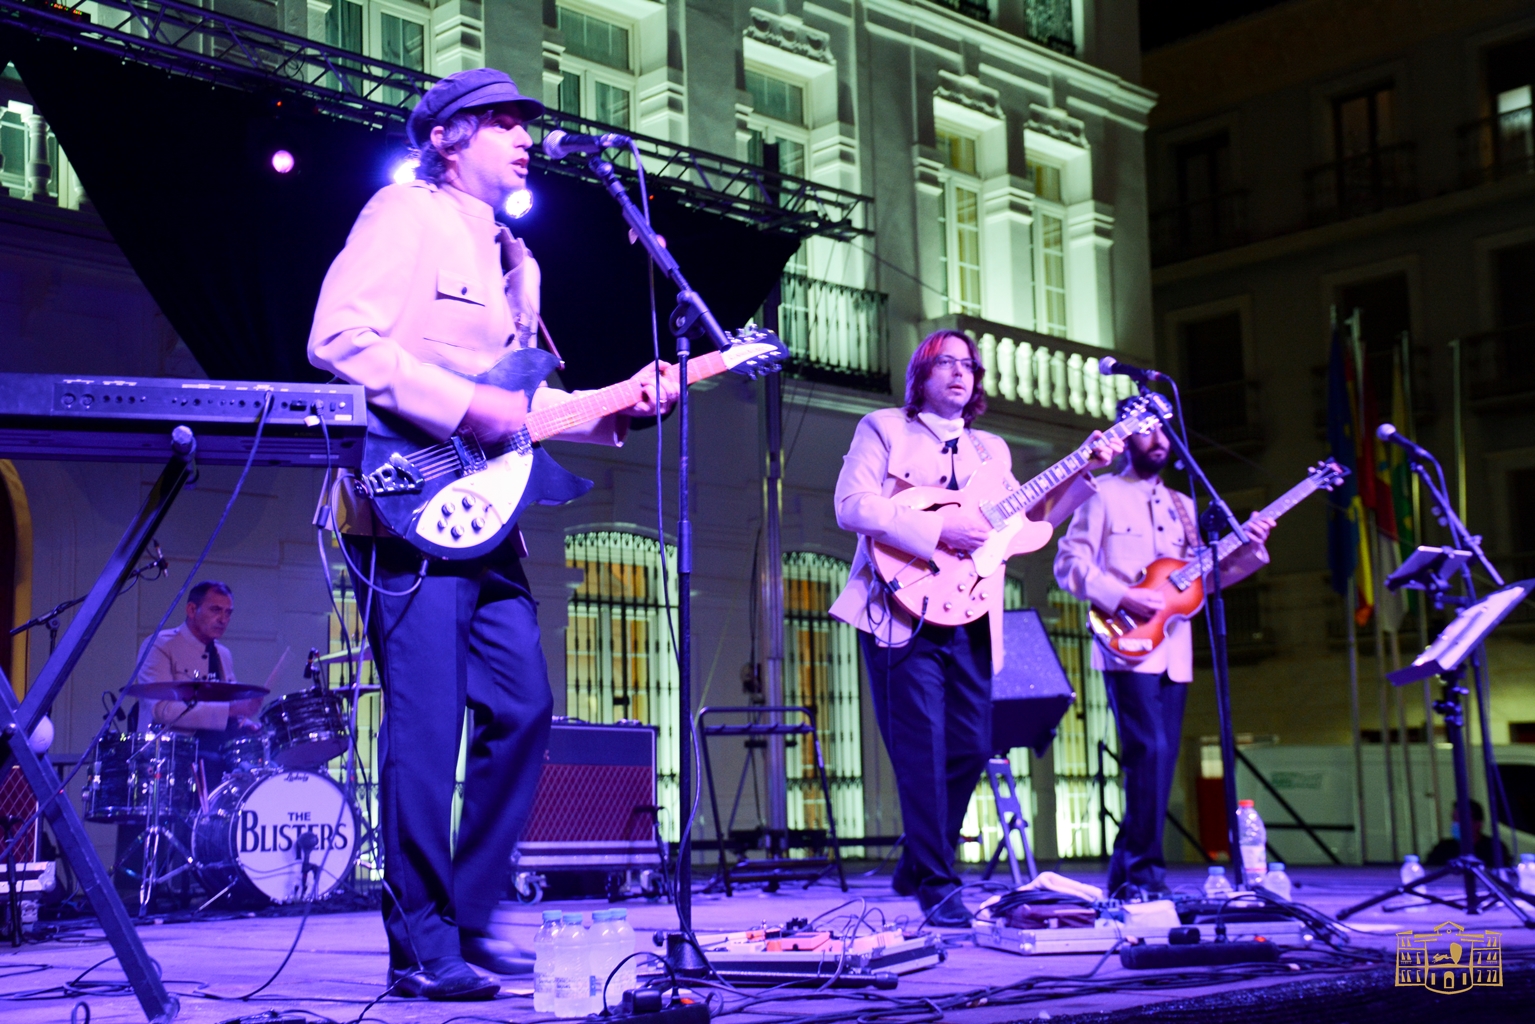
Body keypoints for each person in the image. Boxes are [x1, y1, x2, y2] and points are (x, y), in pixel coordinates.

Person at [308, 68, 678, 1001]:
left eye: (525, 122)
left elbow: (523, 407)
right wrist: (465, 406)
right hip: (408, 507)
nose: (523, 136)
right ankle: (422, 941)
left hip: (486, 520)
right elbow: (340, 339)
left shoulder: (516, 257)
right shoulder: (405, 218)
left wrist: (623, 407)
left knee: (523, 707)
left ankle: (468, 912)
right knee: (427, 731)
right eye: (502, 121)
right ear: (446, 138)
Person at [828, 329, 1121, 926]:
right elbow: (852, 506)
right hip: (897, 612)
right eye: (945, 365)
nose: (959, 374)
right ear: (921, 375)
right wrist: (938, 532)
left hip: (968, 613)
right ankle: (938, 883)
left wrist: (1081, 473)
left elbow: (1031, 529)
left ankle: (919, 855)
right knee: (920, 752)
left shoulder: (993, 451)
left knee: (968, 746)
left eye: (967, 366)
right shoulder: (883, 428)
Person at [1054, 402, 1273, 898]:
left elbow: (1203, 582)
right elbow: (1068, 564)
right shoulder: (1101, 493)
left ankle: (1124, 878)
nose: (1159, 442)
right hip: (1124, 644)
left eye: (1164, 435)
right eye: (1148, 433)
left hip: (1174, 652)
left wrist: (1249, 548)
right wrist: (1120, 594)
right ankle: (1147, 878)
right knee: (1148, 752)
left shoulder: (1182, 504)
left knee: (1158, 762)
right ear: (1128, 439)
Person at [137, 580, 260, 787]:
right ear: (192, 609)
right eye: (215, 610)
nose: (223, 619)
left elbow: (229, 706)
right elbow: (161, 710)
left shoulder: (223, 654)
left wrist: (245, 722)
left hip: (220, 756)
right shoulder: (160, 645)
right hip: (174, 761)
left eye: (228, 613)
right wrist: (229, 711)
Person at [1426, 800, 1512, 867]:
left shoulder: (1494, 848)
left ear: (1478, 824)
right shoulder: (1442, 848)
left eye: (1461, 820)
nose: (1456, 824)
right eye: (1454, 820)